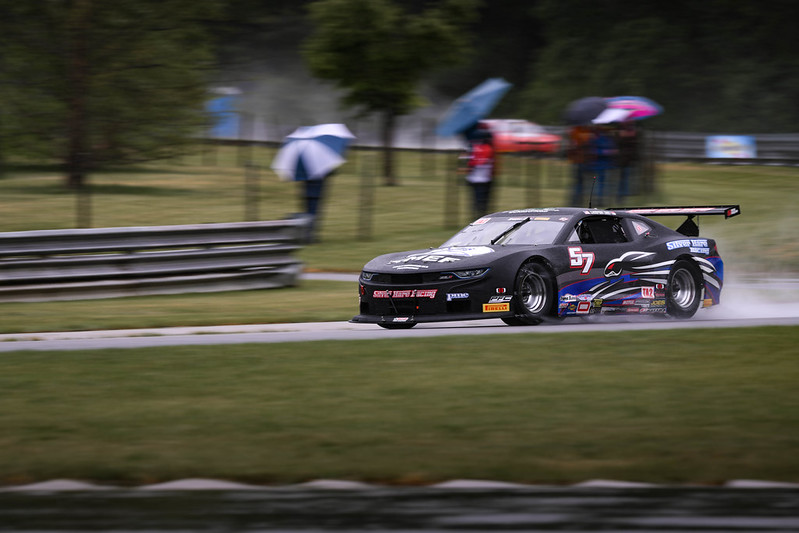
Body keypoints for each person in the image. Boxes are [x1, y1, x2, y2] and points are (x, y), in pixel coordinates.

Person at [465, 131, 496, 217]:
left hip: (474, 178)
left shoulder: (473, 147)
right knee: (482, 201)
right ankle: (480, 217)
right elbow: (482, 161)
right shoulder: (487, 148)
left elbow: (469, 162)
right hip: (483, 179)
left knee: (475, 200)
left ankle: (476, 216)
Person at [567, 125, 595, 206]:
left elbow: (572, 146)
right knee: (580, 183)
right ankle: (576, 201)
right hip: (581, 161)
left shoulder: (575, 131)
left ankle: (576, 201)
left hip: (579, 161)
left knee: (579, 183)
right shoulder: (582, 132)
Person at [614, 120, 639, 201]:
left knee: (625, 178)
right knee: (621, 178)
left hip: (627, 159)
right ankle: (620, 195)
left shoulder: (632, 131)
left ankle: (622, 195)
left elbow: (633, 142)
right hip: (621, 159)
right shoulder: (619, 131)